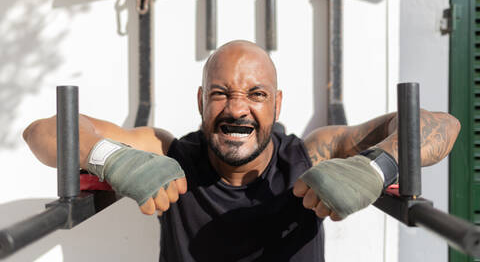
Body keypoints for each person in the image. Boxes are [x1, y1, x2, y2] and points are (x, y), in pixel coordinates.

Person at [23, 40, 460, 261]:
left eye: (256, 94)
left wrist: (376, 169)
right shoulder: (168, 153)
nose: (237, 110)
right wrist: (112, 160)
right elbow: (44, 133)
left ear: (277, 103)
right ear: (200, 101)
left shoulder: (312, 155)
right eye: (220, 93)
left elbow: (442, 126)